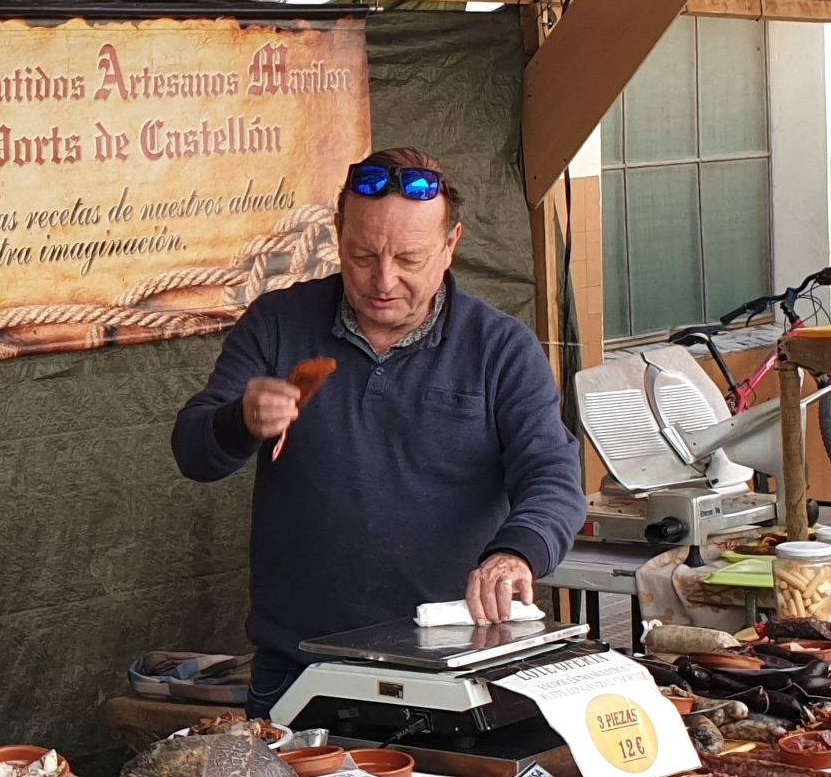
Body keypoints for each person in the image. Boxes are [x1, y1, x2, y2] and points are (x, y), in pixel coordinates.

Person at [170, 147, 585, 718]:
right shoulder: (277, 324)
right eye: (362, 255)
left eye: (409, 259)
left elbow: (553, 475)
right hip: (300, 664)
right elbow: (194, 452)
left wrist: (515, 555)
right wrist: (238, 419)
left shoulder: (500, 348)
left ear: (451, 244)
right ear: (338, 235)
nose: (383, 280)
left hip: (455, 662)